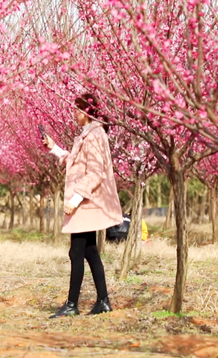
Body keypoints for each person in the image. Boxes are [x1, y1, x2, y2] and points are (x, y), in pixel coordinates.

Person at [44, 93, 123, 318]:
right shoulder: (87, 135)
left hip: (86, 203)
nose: (74, 114)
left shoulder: (96, 135)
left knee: (77, 251)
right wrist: (54, 148)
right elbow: (76, 162)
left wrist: (75, 200)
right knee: (89, 251)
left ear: (86, 112)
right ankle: (103, 300)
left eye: (77, 110)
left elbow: (96, 173)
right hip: (84, 202)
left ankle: (71, 304)